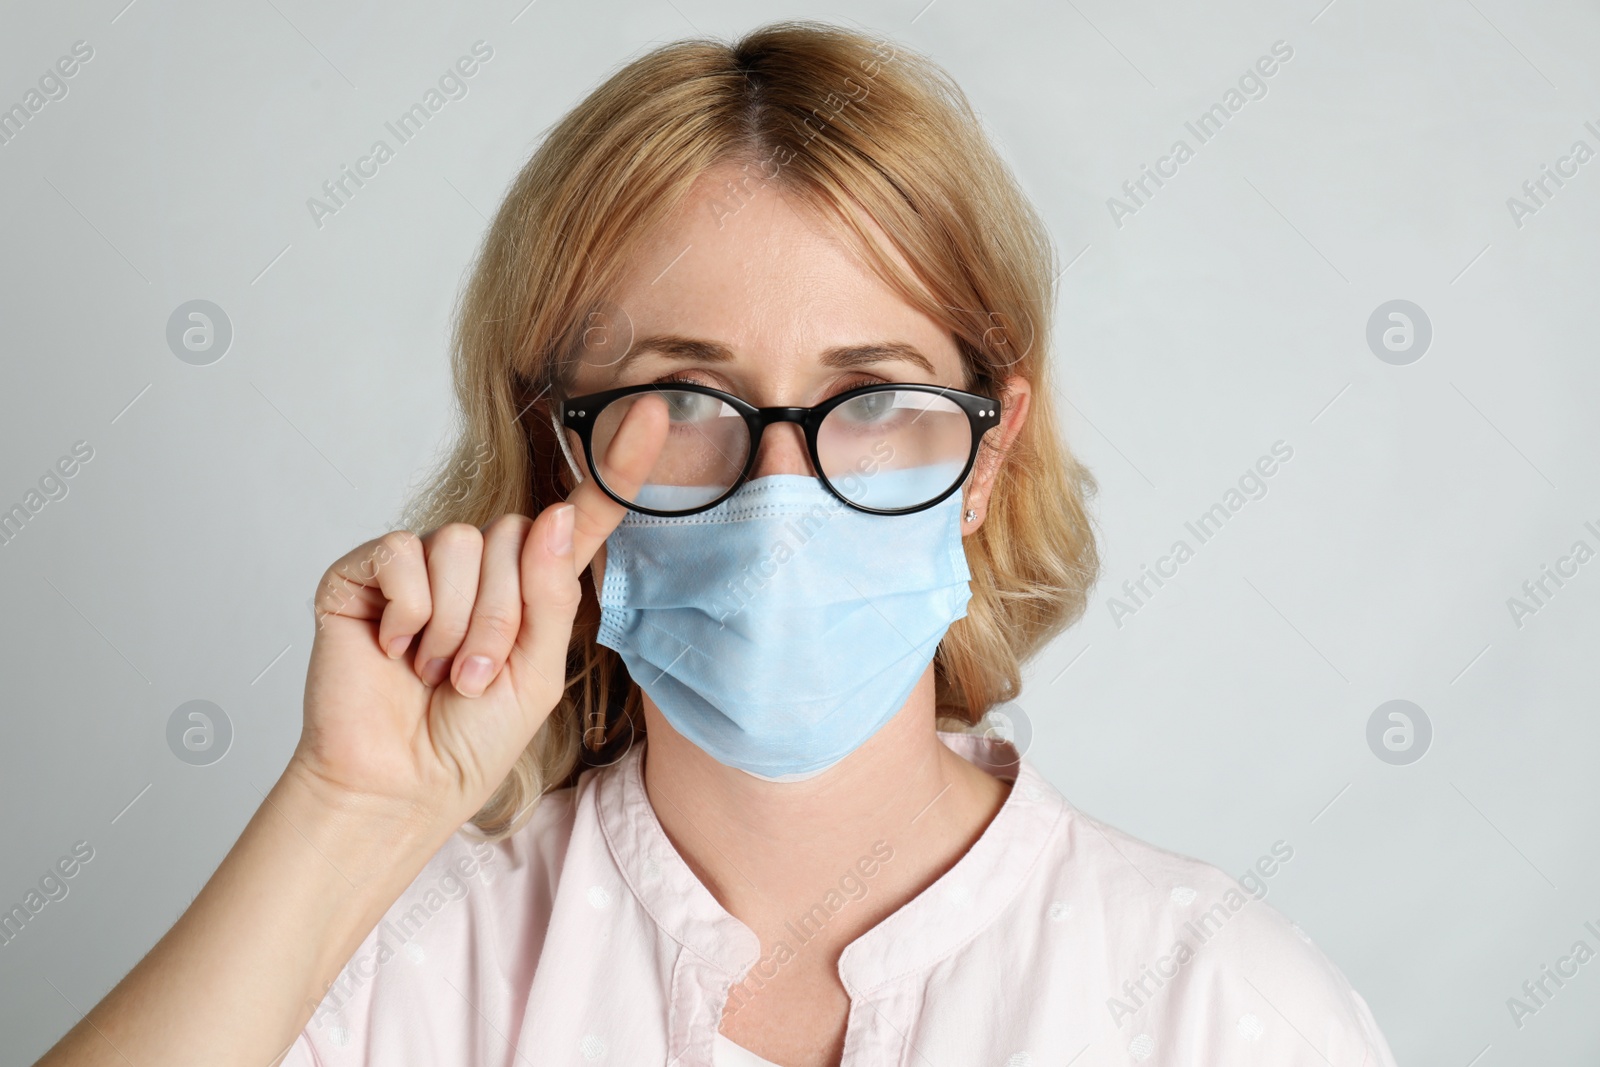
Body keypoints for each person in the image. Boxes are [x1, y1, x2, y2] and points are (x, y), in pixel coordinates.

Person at [34, 20, 1398, 1067]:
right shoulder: (395, 967)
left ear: (988, 453)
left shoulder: (1213, 1000)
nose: (779, 493)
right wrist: (346, 816)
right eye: (685, 397)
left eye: (872, 398)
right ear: (558, 442)